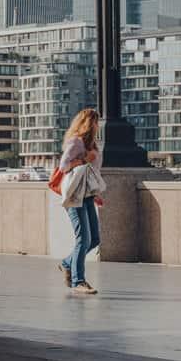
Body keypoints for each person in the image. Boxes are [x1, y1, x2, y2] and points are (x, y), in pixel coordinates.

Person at [57, 108, 102, 295]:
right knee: (83, 239)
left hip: (88, 195)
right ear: (89, 123)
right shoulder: (76, 142)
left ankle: (67, 263)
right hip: (75, 196)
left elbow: (92, 173)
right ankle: (78, 281)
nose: (98, 126)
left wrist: (96, 192)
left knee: (95, 239)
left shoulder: (94, 145)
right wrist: (83, 159)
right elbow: (63, 166)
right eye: (96, 122)